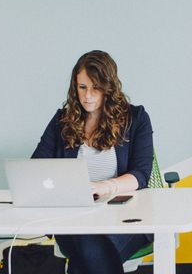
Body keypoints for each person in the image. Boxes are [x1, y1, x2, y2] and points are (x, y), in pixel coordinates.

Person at [31, 50, 154, 273]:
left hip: (126, 216)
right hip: (75, 217)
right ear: (74, 87)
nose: (88, 95)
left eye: (96, 87)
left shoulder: (136, 119)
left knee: (87, 251)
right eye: (82, 87)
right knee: (87, 240)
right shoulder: (62, 121)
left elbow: (141, 174)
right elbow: (36, 167)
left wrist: (103, 187)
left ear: (109, 87)